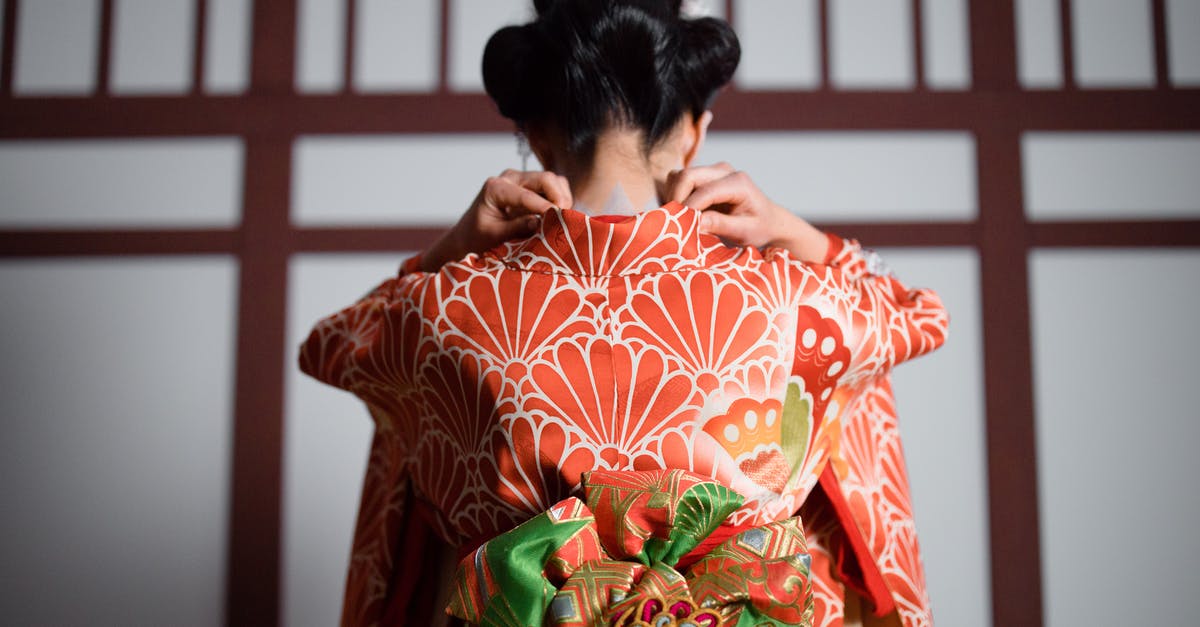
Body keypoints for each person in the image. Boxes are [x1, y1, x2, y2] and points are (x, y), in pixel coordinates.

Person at [300, 1, 948, 625]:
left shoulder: (447, 307)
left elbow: (330, 345)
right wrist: (788, 230)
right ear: (694, 133)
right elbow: (917, 314)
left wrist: (453, 247)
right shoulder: (791, 299)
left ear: (538, 138)